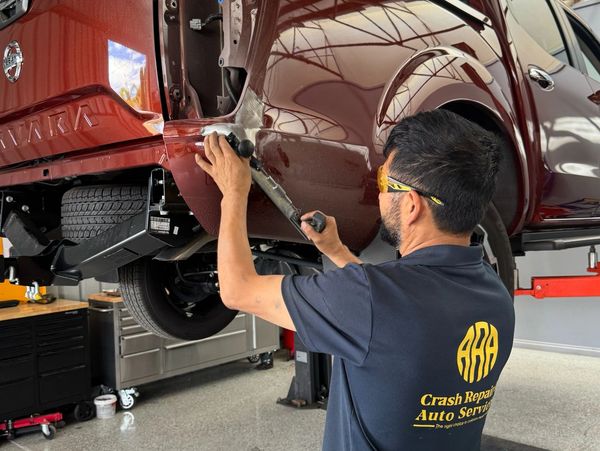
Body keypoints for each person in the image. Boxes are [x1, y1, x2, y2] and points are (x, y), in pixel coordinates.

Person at [195, 109, 515, 451]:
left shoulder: (370, 300)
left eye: (382, 183)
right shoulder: (496, 297)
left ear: (411, 205)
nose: (378, 195)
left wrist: (234, 192)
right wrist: (337, 251)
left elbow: (238, 290)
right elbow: (387, 316)